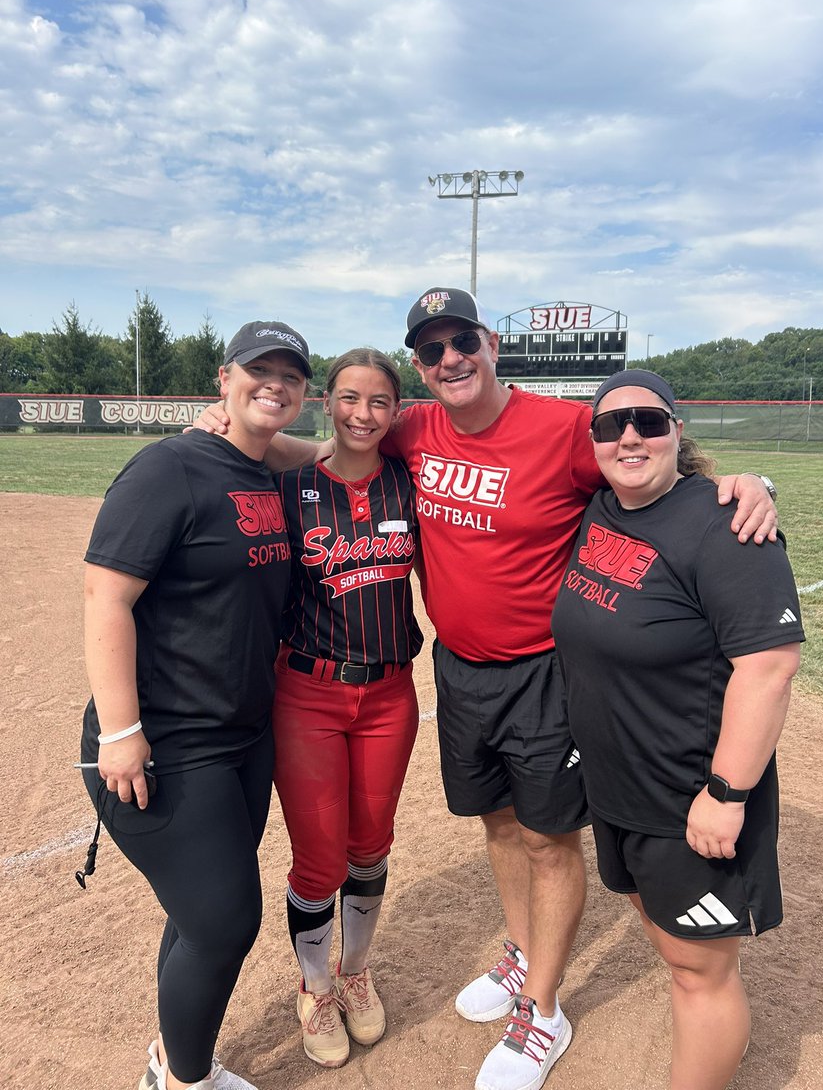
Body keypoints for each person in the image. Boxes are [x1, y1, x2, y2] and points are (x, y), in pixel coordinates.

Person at [192, 289, 778, 1090]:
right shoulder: (415, 427)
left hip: (541, 669)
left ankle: (542, 1009)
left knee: (546, 839)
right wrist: (229, 435)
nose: (448, 360)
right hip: (458, 670)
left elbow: (642, 456)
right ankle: (522, 955)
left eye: (460, 341)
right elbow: (337, 447)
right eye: (429, 352)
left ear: (490, 342)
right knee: (500, 828)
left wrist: (744, 480)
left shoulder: (560, 427)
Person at [79, 321, 320, 1090]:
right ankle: (184, 1080)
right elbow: (104, 597)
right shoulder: (169, 468)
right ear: (225, 378)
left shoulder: (266, 474)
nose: (274, 384)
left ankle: (168, 1057)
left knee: (197, 916)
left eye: (291, 375)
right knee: (224, 923)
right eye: (260, 371)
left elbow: (331, 454)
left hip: (242, 738)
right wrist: (120, 732)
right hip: (165, 741)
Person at [550, 369, 804, 1090]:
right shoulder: (603, 506)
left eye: (648, 421)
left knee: (700, 970)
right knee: (673, 944)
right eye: (610, 425)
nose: (629, 436)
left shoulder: (726, 527)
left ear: (676, 430)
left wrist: (726, 793)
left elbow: (769, 670)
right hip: (616, 782)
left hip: (689, 792)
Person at [271, 348, 422, 1069]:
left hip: (391, 691)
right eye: (350, 398)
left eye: (380, 402)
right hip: (308, 692)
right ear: (326, 402)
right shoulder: (289, 485)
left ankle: (354, 973)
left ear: (397, 411)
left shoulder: (411, 482)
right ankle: (315, 985)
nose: (364, 414)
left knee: (371, 843)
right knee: (319, 858)